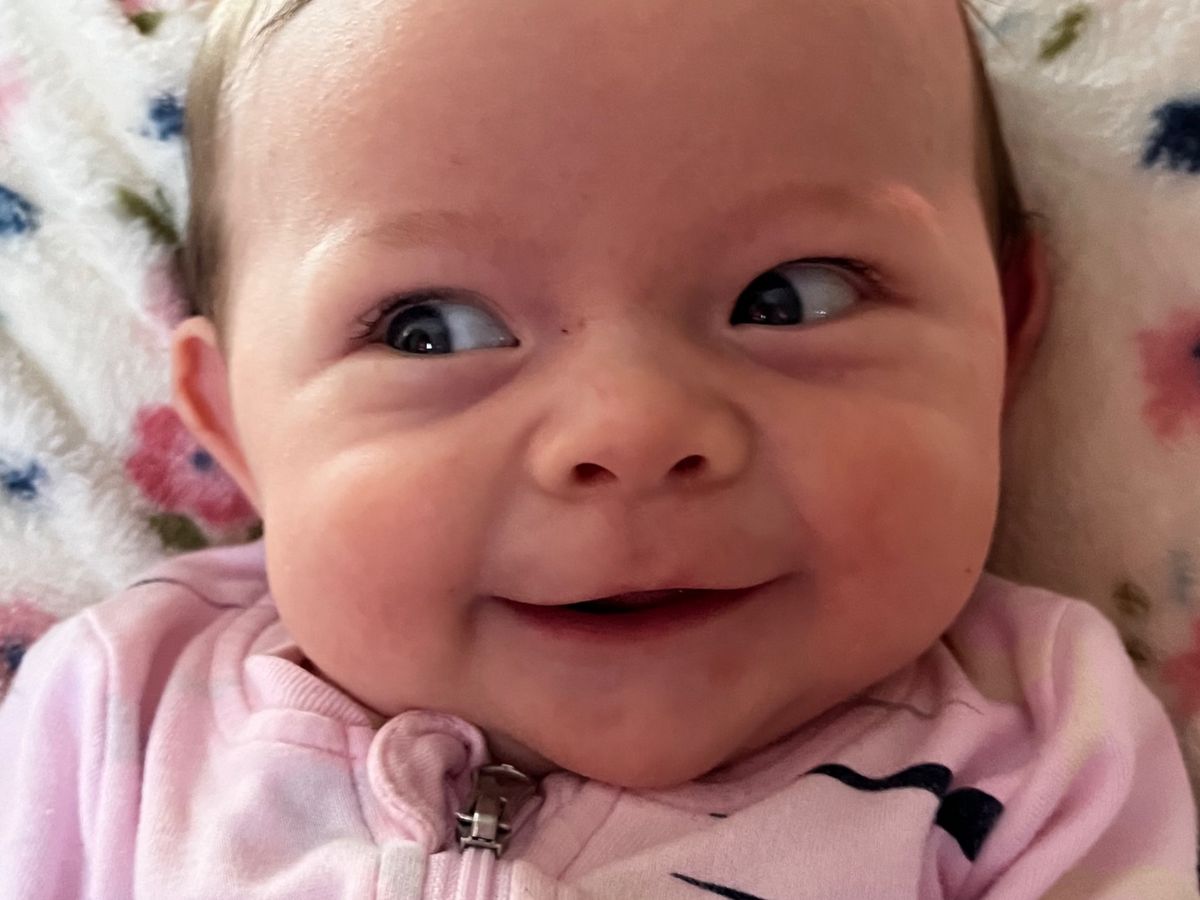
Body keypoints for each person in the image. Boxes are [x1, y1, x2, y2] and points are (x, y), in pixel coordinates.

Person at [1, 0, 1196, 896]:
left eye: (792, 297)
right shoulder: (125, 712)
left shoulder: (1039, 753)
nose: (629, 430)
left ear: (1005, 335)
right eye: (430, 329)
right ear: (230, 423)